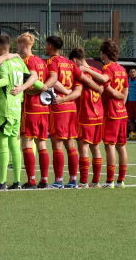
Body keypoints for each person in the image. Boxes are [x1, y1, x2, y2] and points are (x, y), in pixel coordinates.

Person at [0, 34, 39, 189]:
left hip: (5, 108)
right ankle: (17, 181)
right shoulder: (19, 62)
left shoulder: (2, 64)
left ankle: (1, 182)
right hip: (16, 109)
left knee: (2, 145)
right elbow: (33, 77)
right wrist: (45, 88)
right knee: (15, 144)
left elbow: (6, 81)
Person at [41, 35, 82, 188]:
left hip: (59, 106)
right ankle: (72, 180)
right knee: (70, 143)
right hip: (71, 106)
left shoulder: (52, 61)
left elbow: (54, 78)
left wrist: (43, 87)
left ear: (50, 46)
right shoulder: (70, 63)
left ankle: (58, 180)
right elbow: (80, 78)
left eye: (46, 45)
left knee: (57, 143)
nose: (45, 48)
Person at [16, 33, 51, 188]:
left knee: (27, 143)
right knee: (42, 144)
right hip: (44, 108)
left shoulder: (27, 61)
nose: (18, 48)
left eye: (18, 45)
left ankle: (31, 179)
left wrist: (25, 89)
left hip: (31, 108)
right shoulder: (41, 61)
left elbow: (33, 80)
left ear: (23, 45)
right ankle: (44, 179)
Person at [73, 49, 108, 188]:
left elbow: (79, 91)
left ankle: (83, 182)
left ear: (75, 60)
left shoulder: (80, 73)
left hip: (86, 114)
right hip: (98, 114)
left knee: (83, 147)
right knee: (96, 147)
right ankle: (96, 181)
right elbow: (104, 86)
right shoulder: (96, 71)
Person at [98, 40, 130, 187]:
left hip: (111, 112)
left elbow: (107, 87)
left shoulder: (107, 68)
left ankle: (110, 180)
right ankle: (121, 180)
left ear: (104, 53)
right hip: (122, 112)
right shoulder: (122, 69)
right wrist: (121, 102)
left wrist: (114, 94)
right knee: (121, 146)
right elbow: (125, 91)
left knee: (109, 145)